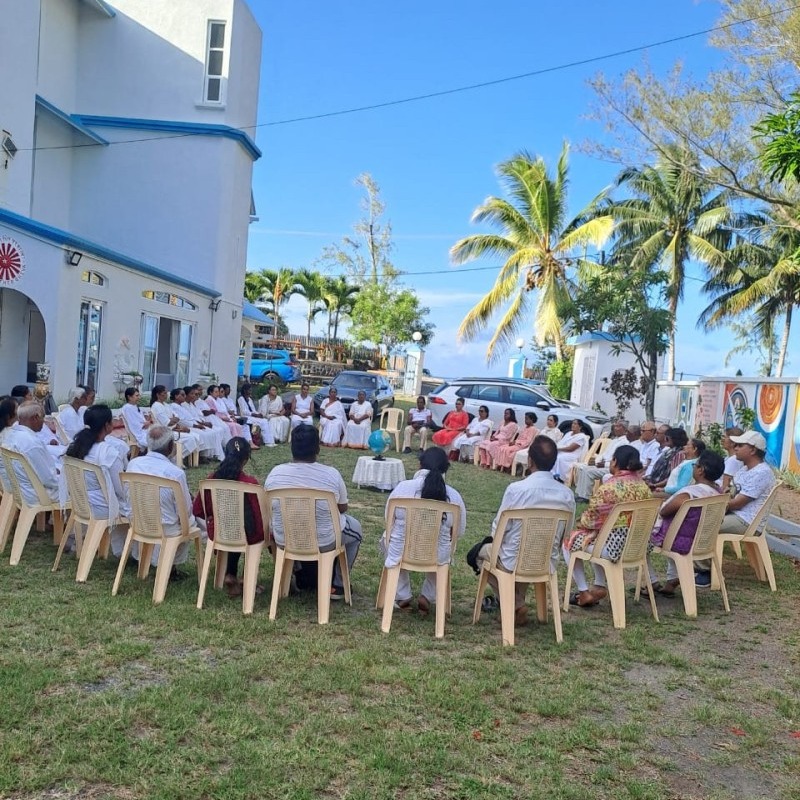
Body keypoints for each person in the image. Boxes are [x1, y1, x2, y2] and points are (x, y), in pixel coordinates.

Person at [475, 436, 575, 625]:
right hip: (545, 559)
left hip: (514, 558)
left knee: (479, 554)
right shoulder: (567, 494)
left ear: (530, 461)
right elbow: (566, 533)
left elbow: (499, 528)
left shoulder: (517, 489)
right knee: (524, 552)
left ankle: (515, 603)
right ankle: (517, 603)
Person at [264, 425, 362, 600]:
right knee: (356, 529)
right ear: (317, 448)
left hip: (284, 539)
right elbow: (342, 508)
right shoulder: (331, 474)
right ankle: (338, 585)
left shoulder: (275, 473)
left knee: (281, 524)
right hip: (324, 541)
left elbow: (269, 507)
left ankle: (293, 572)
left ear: (292, 447)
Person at [563, 445, 652, 607]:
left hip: (613, 548)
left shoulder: (610, 488)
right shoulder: (643, 487)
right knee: (597, 535)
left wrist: (580, 522)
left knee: (571, 540)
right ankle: (598, 585)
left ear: (615, 461)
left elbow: (591, 520)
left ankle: (583, 592)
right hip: (638, 546)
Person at [380, 447, 466, 613]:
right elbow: (458, 532)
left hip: (401, 549)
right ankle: (428, 595)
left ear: (420, 464)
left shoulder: (403, 488)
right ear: (446, 469)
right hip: (436, 554)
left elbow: (388, 520)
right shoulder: (454, 495)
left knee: (389, 539)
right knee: (443, 548)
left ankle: (402, 594)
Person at [694, 430, 776, 588]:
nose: (735, 447)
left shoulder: (762, 472)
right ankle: (698, 566)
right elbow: (730, 492)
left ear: (752, 450)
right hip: (736, 514)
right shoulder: (745, 469)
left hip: (746, 521)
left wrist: (713, 504)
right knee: (698, 517)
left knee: (702, 523)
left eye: (739, 445)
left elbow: (738, 502)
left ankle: (706, 572)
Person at [192, 437, 267, 598]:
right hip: (247, 534)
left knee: (234, 527)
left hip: (219, 531)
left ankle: (230, 574)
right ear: (246, 460)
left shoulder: (211, 480)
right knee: (247, 530)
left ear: (226, 454)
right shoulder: (249, 483)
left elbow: (198, 509)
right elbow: (258, 516)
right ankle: (247, 579)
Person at [126, 425, 207, 571]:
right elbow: (185, 511)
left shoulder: (133, 464)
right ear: (171, 446)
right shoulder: (174, 473)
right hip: (166, 528)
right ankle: (170, 567)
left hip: (139, 522)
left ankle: (154, 561)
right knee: (193, 521)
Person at [646, 451, 725, 596]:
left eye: (695, 465)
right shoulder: (718, 493)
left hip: (679, 541)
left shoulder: (689, 493)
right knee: (675, 529)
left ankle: (651, 582)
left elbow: (664, 511)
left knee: (639, 540)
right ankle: (672, 580)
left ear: (701, 470)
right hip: (702, 541)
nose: (694, 468)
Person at [64, 404, 131, 557]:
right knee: (143, 504)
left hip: (80, 502)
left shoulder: (74, 447)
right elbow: (120, 489)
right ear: (107, 425)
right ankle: (133, 553)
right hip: (102, 506)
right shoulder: (109, 452)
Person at [3, 401, 60, 506]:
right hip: (35, 494)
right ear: (35, 417)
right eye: (43, 417)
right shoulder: (32, 442)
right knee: (80, 488)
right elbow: (49, 480)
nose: (44, 421)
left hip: (18, 489)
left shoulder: (11, 435)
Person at [572, 419, 628, 500]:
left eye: (618, 426)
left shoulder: (624, 442)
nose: (615, 428)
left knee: (588, 472)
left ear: (625, 429)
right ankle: (580, 494)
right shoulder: (614, 440)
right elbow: (603, 454)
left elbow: (618, 462)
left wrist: (604, 464)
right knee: (583, 468)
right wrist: (597, 461)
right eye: (615, 426)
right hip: (602, 464)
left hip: (611, 467)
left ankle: (585, 497)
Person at [147, 385, 201, 463]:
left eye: (166, 393)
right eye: (164, 393)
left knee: (195, 436)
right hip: (164, 432)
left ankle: (176, 458)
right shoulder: (156, 406)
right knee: (190, 439)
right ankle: (174, 459)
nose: (166, 395)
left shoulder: (166, 405)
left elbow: (177, 417)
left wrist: (173, 420)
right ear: (158, 394)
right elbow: (168, 423)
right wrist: (172, 420)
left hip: (172, 429)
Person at [169, 387, 225, 461]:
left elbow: (192, 417)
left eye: (184, 395)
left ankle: (211, 455)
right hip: (186, 426)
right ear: (176, 396)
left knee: (212, 432)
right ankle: (202, 456)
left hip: (193, 424)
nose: (184, 397)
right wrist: (195, 425)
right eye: (182, 395)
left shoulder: (181, 406)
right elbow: (181, 421)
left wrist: (200, 424)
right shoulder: (174, 406)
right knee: (205, 434)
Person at [720, 426, 744, 492]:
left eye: (725, 437)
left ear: (733, 442)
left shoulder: (733, 461)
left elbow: (725, 487)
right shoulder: (729, 458)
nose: (722, 440)